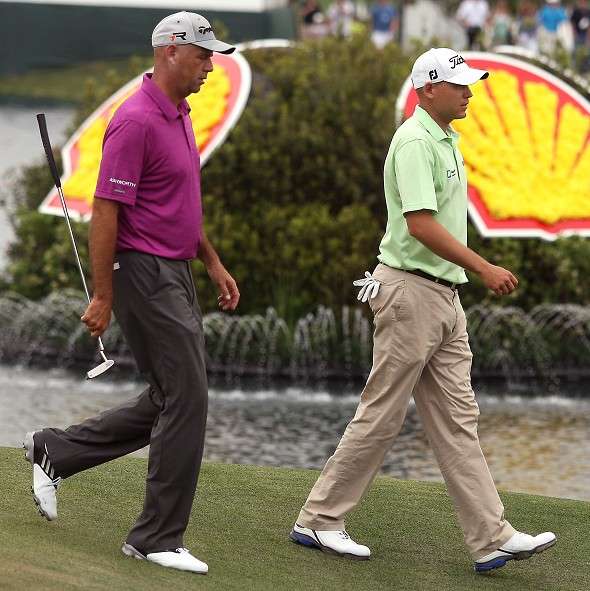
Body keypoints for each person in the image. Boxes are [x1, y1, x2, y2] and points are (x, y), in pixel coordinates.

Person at [289, 47, 556, 573]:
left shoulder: (444, 138)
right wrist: (484, 267)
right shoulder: (414, 141)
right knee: (383, 413)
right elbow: (420, 224)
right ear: (428, 87)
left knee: (459, 422)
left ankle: (492, 539)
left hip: (442, 298)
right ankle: (319, 520)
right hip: (410, 293)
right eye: (459, 85)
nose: (469, 92)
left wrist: (466, 276)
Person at [23, 11, 240, 575]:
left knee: (171, 396)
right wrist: (102, 294)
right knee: (188, 396)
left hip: (177, 271)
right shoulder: (136, 120)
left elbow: (179, 205)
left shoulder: (181, 113)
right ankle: (155, 538)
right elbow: (106, 210)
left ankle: (55, 450)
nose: (209, 66)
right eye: (203, 55)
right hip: (141, 273)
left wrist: (213, 263)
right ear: (170, 50)